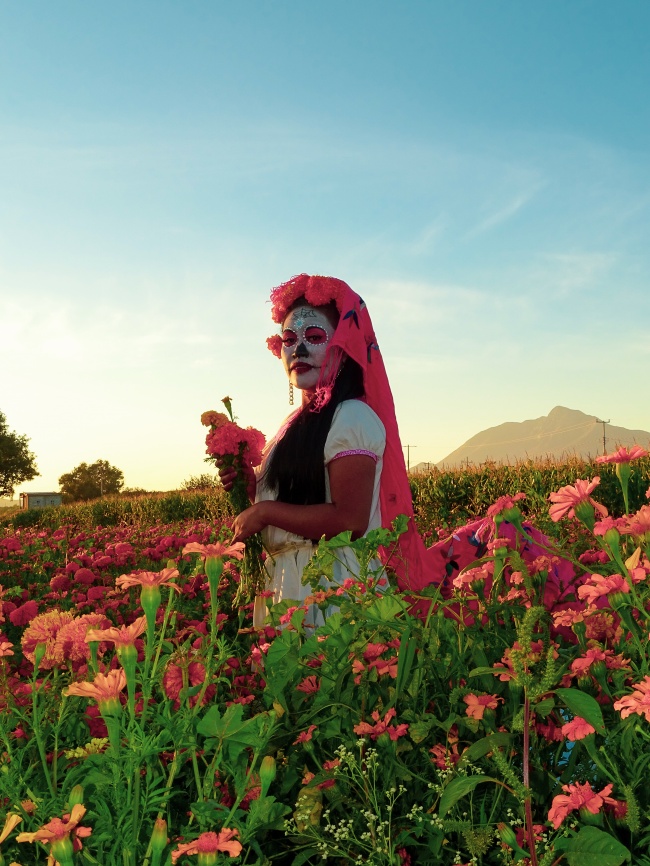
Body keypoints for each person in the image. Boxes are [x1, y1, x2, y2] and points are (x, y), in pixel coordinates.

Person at [220, 273, 437, 627]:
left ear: (343, 345)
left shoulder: (351, 417)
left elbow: (349, 521)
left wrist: (266, 512)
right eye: (289, 339)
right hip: (290, 586)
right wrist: (250, 488)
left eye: (315, 337)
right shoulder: (291, 427)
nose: (298, 349)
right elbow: (296, 505)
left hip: (334, 588)